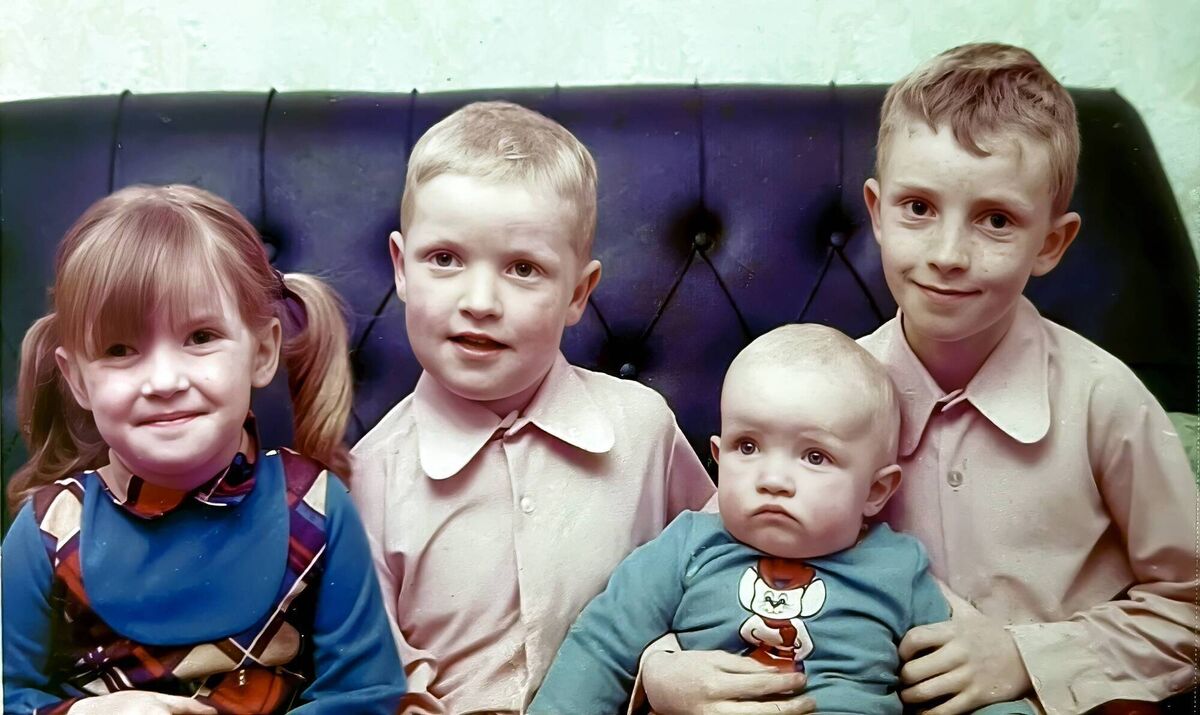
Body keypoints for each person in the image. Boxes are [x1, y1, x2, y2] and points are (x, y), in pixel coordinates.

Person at [646, 43, 1200, 715]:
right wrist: (662, 666)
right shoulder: (824, 387)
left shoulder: (1105, 401)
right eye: (918, 208)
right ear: (875, 212)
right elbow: (704, 556)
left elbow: (1187, 608)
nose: (947, 255)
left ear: (1050, 243)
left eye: (996, 220)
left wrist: (1027, 655)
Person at [350, 101, 716, 713]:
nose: (480, 301)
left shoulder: (643, 427)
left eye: (523, 269)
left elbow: (719, 569)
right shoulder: (366, 478)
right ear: (401, 268)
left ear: (578, 293)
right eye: (445, 259)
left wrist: (670, 663)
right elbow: (375, 678)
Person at [2, 184, 407, 714]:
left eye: (200, 337)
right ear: (77, 380)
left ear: (262, 352)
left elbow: (365, 694)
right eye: (120, 349)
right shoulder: (47, 530)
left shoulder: (318, 508)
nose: (165, 380)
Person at [530, 324, 1034, 715]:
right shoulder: (686, 547)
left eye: (814, 457)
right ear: (718, 457)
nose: (774, 479)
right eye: (748, 447)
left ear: (877, 490)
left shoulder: (899, 569)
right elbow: (601, 647)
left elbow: (964, 683)